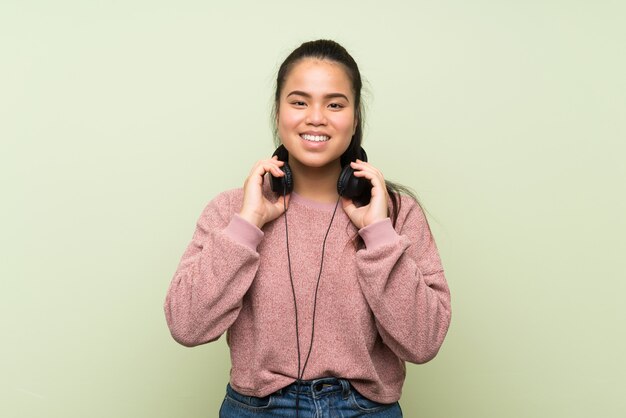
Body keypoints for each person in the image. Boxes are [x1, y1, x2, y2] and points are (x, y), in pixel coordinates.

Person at [164, 39, 451, 417]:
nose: (316, 117)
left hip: (365, 409)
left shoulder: (396, 214)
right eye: (299, 102)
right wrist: (247, 225)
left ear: (356, 117)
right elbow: (187, 325)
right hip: (257, 408)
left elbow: (424, 342)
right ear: (278, 111)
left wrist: (378, 233)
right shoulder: (231, 211)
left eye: (335, 104)